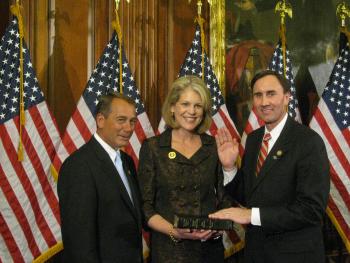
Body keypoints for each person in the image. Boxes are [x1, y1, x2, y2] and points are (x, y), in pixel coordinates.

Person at [211, 70, 330, 263]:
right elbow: (252, 195)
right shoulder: (254, 139)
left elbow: (311, 209)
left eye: (271, 94)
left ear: (286, 97)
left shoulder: (308, 142)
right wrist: (230, 167)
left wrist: (252, 215)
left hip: (294, 256)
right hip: (257, 253)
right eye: (258, 95)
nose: (264, 102)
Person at [138, 75, 233, 263]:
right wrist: (176, 232)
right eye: (185, 104)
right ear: (172, 107)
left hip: (209, 250)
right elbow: (145, 207)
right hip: (169, 252)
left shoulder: (213, 146)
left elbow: (225, 199)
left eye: (198, 106)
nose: (192, 111)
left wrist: (216, 228)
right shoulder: (153, 148)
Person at [58, 93, 143, 262]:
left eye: (132, 121)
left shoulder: (127, 162)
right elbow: (79, 242)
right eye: (121, 120)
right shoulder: (79, 166)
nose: (128, 128)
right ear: (100, 120)